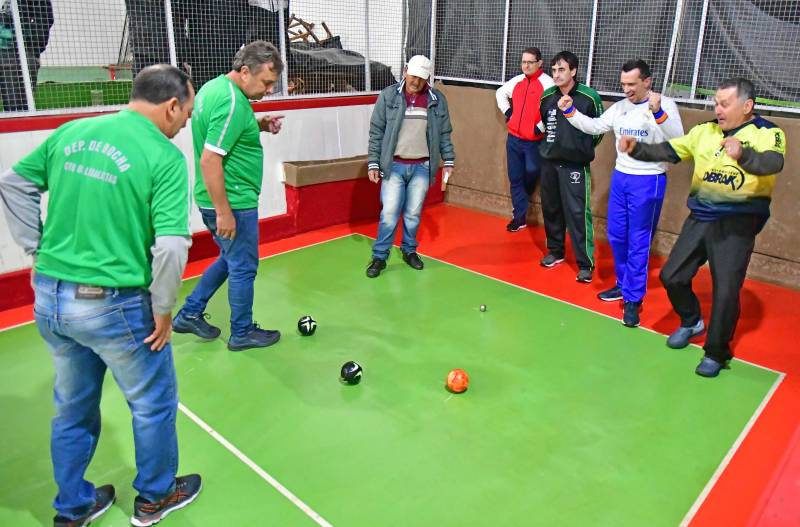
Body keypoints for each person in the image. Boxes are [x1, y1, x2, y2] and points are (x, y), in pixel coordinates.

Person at [0, 65, 202, 526]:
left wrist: (37, 249)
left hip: (50, 299)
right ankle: (154, 497)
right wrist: (164, 309)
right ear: (172, 105)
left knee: (72, 407)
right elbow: (171, 246)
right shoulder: (164, 157)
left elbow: (13, 183)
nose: (186, 122)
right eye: (187, 113)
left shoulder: (73, 131)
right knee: (152, 403)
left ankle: (72, 508)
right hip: (114, 305)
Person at [619, 77, 786, 377]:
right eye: (716, 103)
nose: (718, 109)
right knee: (672, 275)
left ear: (747, 106)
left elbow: (772, 164)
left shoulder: (767, 133)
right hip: (700, 217)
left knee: (725, 291)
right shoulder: (704, 131)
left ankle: (716, 353)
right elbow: (670, 151)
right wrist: (637, 149)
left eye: (725, 104)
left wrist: (743, 153)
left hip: (737, 223)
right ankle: (692, 320)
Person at [172, 40, 286, 351]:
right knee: (244, 267)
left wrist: (258, 125)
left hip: (218, 198)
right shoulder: (233, 104)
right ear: (245, 71)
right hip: (232, 201)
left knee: (230, 259)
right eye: (266, 82)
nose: (269, 90)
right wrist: (224, 212)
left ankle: (189, 312)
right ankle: (242, 332)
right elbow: (210, 159)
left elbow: (223, 133)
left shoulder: (214, 88)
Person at [561, 59, 684, 326]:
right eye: (623, 84)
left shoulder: (664, 105)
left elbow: (678, 139)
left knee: (638, 241)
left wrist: (659, 112)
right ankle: (623, 283)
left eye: (631, 84)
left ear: (647, 82)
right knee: (617, 236)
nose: (626, 89)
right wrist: (571, 112)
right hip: (621, 178)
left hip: (648, 180)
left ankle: (633, 299)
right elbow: (595, 126)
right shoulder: (619, 108)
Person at [365, 54, 455, 278]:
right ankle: (379, 257)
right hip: (393, 165)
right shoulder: (388, 96)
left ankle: (409, 250)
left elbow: (444, 133)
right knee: (389, 213)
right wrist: (373, 162)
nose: (416, 82)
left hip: (422, 167)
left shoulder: (436, 99)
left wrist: (449, 160)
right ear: (405, 71)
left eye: (422, 79)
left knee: (413, 213)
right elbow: (376, 132)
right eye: (413, 76)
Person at [537, 51, 603, 283]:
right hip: (549, 163)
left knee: (577, 213)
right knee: (551, 209)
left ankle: (585, 263)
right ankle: (555, 251)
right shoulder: (546, 97)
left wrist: (579, 149)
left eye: (561, 69)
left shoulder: (589, 97)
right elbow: (545, 125)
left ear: (573, 71)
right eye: (553, 70)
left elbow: (598, 131)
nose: (556, 74)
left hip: (575, 166)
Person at [495, 47, 553, 232]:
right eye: (523, 62)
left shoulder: (548, 84)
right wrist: (509, 112)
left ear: (540, 63)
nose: (526, 66)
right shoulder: (517, 81)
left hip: (534, 142)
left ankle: (522, 199)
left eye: (530, 62)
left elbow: (554, 110)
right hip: (514, 139)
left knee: (531, 170)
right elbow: (500, 93)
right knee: (515, 177)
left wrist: (540, 127)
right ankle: (519, 217)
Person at [0, 0, 53, 112]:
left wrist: (33, 48)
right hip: (11, 51)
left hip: (18, 52)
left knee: (19, 106)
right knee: (14, 105)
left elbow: (44, 17)